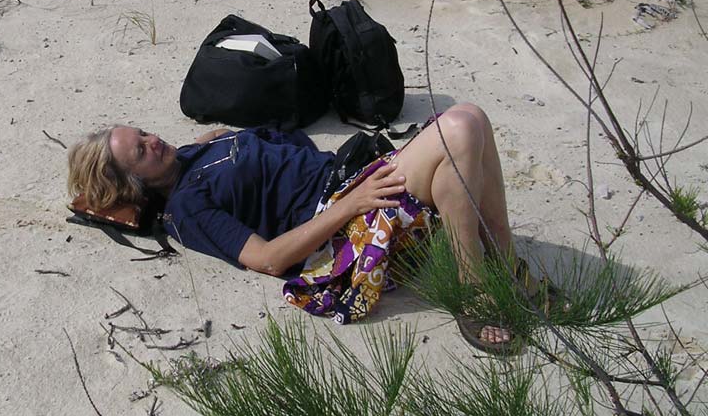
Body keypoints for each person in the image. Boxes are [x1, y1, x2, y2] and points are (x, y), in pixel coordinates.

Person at [68, 103, 538, 353]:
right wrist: (348, 205)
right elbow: (268, 258)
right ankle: (475, 290)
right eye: (141, 152)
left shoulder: (191, 156)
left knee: (473, 118)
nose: (154, 141)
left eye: (145, 133)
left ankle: (501, 259)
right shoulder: (189, 209)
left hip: (348, 177)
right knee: (457, 127)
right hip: (343, 218)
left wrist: (220, 141)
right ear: (132, 182)